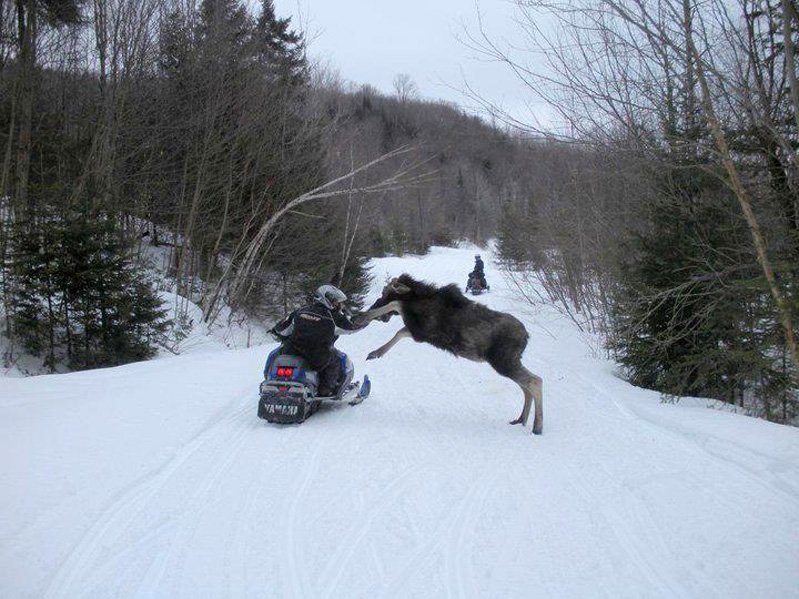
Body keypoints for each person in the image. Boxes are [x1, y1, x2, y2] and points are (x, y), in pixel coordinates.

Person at [269, 284, 364, 397]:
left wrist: (274, 331)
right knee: (337, 359)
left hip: (292, 351)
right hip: (316, 357)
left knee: (275, 354)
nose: (338, 305)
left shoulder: (299, 311)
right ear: (325, 299)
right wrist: (367, 319)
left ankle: (269, 378)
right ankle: (326, 390)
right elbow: (352, 327)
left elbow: (282, 329)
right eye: (335, 302)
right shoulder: (334, 317)